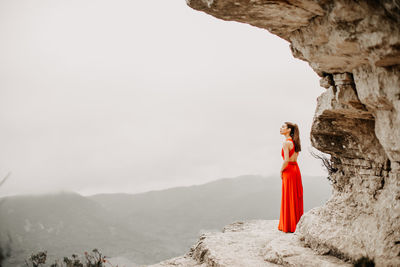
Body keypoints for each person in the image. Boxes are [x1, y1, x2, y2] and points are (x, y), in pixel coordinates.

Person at [278, 122, 304, 233]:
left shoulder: (286, 143)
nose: (281, 128)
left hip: (288, 170)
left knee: (288, 196)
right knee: (295, 196)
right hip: (296, 170)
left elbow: (286, 160)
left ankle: (288, 225)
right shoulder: (295, 142)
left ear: (289, 130)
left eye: (283, 127)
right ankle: (296, 224)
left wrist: (281, 170)